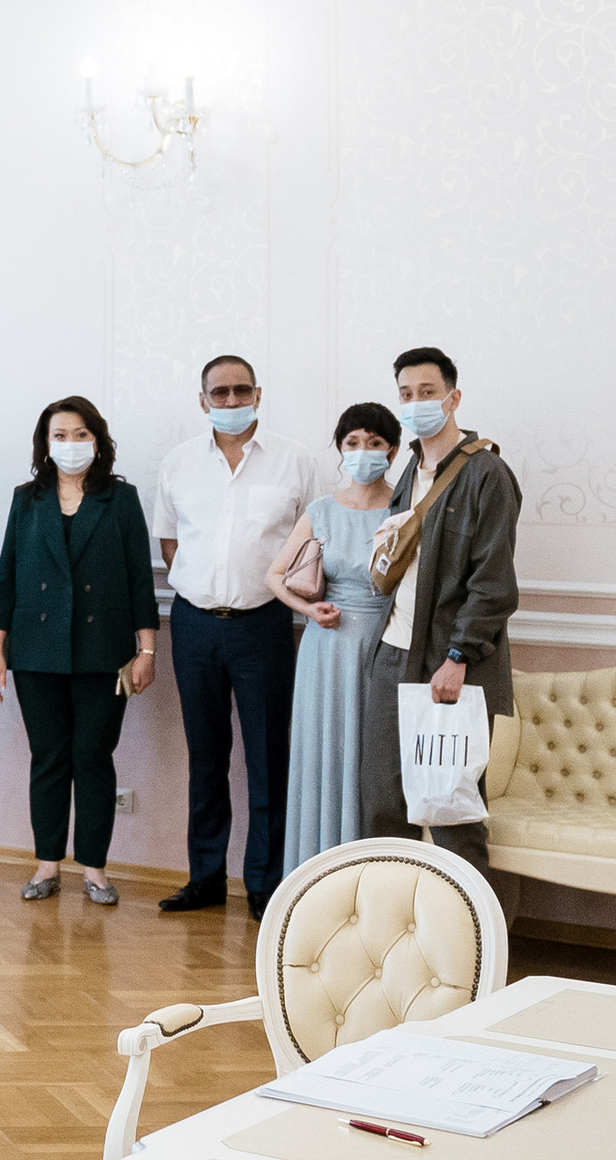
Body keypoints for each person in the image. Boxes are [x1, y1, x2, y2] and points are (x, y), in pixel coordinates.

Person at [151, 354, 330, 918]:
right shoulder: (179, 462)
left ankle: (265, 884)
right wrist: (206, 587)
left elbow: (314, 542)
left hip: (265, 625)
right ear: (203, 400)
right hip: (194, 625)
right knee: (205, 756)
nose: (231, 401)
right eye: (219, 393)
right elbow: (170, 542)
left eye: (240, 391)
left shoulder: (296, 461)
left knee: (268, 758)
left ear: (258, 394)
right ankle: (205, 878)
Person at [0, 395, 161, 907]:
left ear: (97, 440)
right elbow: (6, 576)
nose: (70, 444)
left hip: (103, 650)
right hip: (35, 650)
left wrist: (147, 650)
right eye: (59, 435)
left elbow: (139, 579)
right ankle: (46, 865)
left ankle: (95, 869)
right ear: (45, 444)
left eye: (80, 434)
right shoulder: (27, 498)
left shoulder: (120, 498)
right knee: (49, 758)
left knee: (93, 757)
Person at [362, 346, 521, 901]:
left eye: (427, 393)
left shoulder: (487, 474)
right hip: (391, 652)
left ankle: (472, 939)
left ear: (453, 398)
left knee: (452, 812)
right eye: (405, 394)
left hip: (451, 664)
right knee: (383, 806)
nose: (415, 403)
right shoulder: (409, 470)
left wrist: (459, 658)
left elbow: (493, 584)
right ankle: (390, 931)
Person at [269, 403, 405, 872]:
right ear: (340, 449)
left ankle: (369, 877)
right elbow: (274, 576)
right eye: (353, 443)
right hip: (325, 649)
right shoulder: (321, 510)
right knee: (323, 757)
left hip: (386, 647)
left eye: (375, 443)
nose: (363, 451)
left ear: (393, 450)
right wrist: (309, 609)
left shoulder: (406, 510)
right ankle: (315, 877)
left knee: (376, 761)